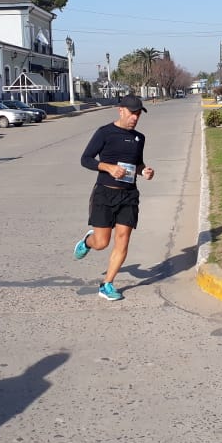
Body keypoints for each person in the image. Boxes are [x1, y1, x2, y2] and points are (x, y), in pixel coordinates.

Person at [73, 95, 155, 301]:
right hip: (105, 193)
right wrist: (108, 167)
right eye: (132, 113)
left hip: (129, 195)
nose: (135, 118)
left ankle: (107, 284)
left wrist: (144, 171)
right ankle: (88, 241)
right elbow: (86, 159)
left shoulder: (139, 138)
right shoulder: (105, 133)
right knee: (102, 242)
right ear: (121, 110)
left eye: (138, 114)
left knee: (123, 240)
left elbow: (137, 164)